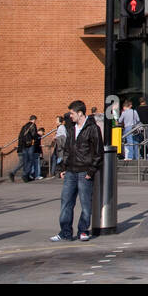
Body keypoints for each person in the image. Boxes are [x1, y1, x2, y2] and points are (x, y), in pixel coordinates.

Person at [52, 100, 102, 243]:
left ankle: (83, 230)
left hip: (84, 171)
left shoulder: (93, 128)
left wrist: (91, 171)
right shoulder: (71, 129)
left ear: (80, 113)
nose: (70, 115)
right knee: (66, 202)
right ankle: (65, 232)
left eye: (72, 113)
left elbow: (98, 152)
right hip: (71, 171)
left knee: (85, 203)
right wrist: (63, 168)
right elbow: (67, 150)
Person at [18, 114, 39, 181]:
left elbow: (20, 136)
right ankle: (26, 175)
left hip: (24, 145)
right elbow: (34, 135)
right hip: (30, 145)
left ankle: (25, 174)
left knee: (25, 160)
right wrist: (36, 140)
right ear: (34, 120)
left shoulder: (24, 126)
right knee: (30, 160)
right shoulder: (33, 125)